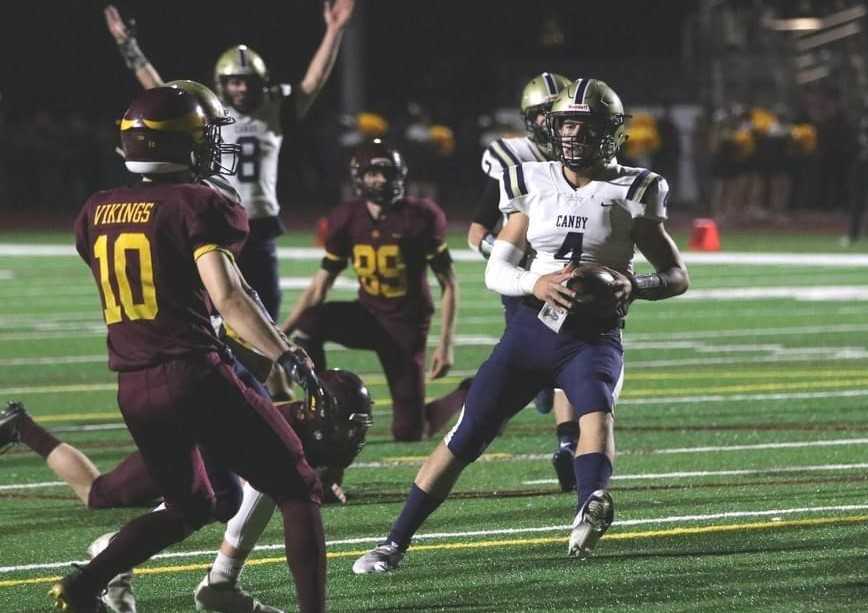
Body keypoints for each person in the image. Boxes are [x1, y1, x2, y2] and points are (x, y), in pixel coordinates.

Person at [351, 77, 689, 574]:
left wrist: (634, 286)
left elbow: (677, 275)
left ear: (610, 132)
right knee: (464, 437)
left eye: (585, 124)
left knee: (596, 413)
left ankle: (590, 503)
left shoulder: (636, 188)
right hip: (531, 331)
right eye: (567, 123)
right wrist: (538, 283)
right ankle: (393, 542)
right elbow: (496, 268)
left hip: (591, 336)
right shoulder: (531, 180)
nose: (573, 134)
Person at [49, 86, 329, 613]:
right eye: (204, 135)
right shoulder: (198, 204)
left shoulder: (97, 209)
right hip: (192, 372)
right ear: (179, 142)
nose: (211, 145)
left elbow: (222, 288)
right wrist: (288, 354)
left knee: (190, 504)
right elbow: (226, 296)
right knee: (297, 484)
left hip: (133, 383)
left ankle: (87, 582)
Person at [104, 0, 355, 323]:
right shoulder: (210, 111)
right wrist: (129, 47)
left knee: (265, 318)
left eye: (248, 80)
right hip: (217, 220)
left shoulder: (275, 107)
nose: (242, 87)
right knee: (216, 314)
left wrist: (335, 30)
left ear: (261, 81)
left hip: (261, 226)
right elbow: (160, 90)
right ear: (222, 83)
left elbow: (314, 81)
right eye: (235, 81)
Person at [281, 139, 471, 442]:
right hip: (367, 315)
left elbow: (448, 283)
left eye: (386, 172)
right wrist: (282, 338)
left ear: (399, 175)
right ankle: (321, 401)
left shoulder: (420, 216)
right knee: (310, 322)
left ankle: (466, 394)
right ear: (359, 178)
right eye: (372, 173)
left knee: (410, 432)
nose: (380, 180)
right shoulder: (346, 217)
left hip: (405, 326)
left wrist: (446, 343)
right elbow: (321, 284)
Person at [466, 72, 581, 492]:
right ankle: (477, 428)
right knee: (531, 359)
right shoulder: (512, 157)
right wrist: (509, 260)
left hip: (567, 273)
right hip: (524, 279)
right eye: (541, 114)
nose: (550, 123)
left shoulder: (583, 157)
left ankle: (568, 443)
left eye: (557, 114)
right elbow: (477, 231)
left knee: (567, 351)